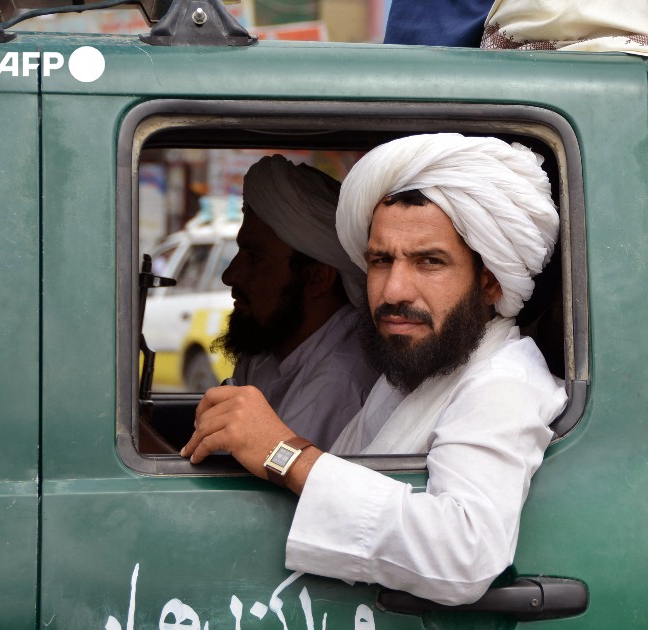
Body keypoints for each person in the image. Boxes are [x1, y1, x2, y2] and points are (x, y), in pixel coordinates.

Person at [181, 134, 568, 605]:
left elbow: (465, 551)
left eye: (429, 262)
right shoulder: (413, 373)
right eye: (381, 261)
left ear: (489, 282)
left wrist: (285, 455)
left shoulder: (503, 383)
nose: (393, 290)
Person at [217, 155, 378, 449]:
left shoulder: (338, 382)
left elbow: (271, 473)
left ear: (317, 277)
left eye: (255, 258)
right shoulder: (270, 346)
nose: (230, 275)